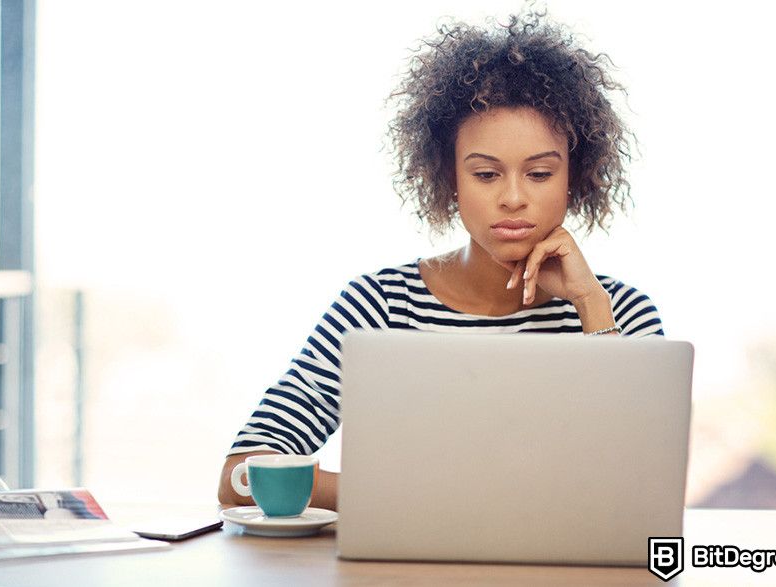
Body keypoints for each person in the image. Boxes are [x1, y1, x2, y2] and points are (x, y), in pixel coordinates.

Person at [218, 9, 663, 510]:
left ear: (572, 179)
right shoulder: (379, 305)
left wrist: (590, 305)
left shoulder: (621, 313)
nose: (514, 198)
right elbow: (241, 473)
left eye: (539, 174)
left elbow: (643, 485)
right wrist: (426, 498)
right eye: (486, 175)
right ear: (449, 178)